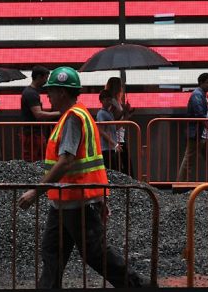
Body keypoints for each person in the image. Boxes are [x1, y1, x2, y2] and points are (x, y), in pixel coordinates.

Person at [17, 67, 144, 289]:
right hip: (65, 201)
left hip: (78, 201)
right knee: (52, 252)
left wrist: (36, 192)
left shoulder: (73, 119)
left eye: (51, 90)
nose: (47, 95)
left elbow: (66, 161)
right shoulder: (76, 115)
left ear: (63, 93)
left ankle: (139, 286)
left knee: (96, 253)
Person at [20, 66, 60, 161]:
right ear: (39, 77)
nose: (46, 81)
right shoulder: (31, 94)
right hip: (32, 134)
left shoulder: (31, 92)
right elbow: (38, 114)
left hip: (33, 133)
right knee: (34, 160)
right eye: (45, 78)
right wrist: (60, 113)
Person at [104, 77, 134, 176]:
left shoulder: (117, 101)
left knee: (125, 166)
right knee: (124, 168)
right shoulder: (112, 102)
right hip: (116, 139)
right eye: (120, 85)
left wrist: (126, 113)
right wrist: (124, 113)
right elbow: (115, 123)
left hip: (120, 137)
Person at [96, 89, 121, 170]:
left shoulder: (109, 113)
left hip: (111, 148)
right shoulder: (101, 113)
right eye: (107, 100)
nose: (109, 102)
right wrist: (114, 143)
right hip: (106, 148)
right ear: (102, 100)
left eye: (110, 100)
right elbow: (101, 130)